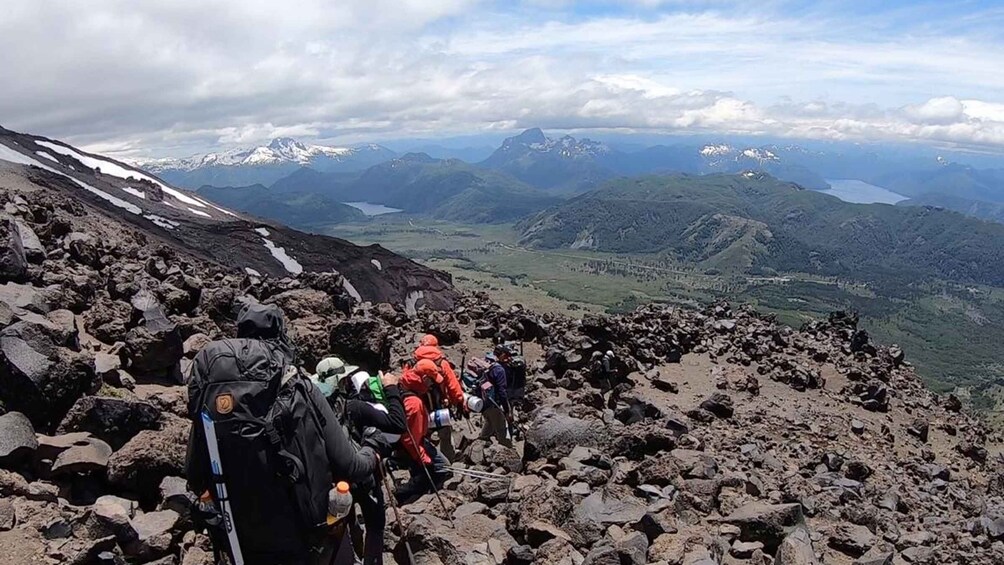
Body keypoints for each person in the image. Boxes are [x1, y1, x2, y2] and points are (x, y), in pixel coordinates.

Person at [186, 303, 384, 565]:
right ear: (280, 334)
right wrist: (373, 446)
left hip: (242, 539)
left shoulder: (212, 395)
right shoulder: (297, 385)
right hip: (308, 537)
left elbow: (195, 475)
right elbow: (351, 465)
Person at [317, 358, 405, 565]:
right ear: (342, 381)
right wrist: (391, 389)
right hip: (364, 474)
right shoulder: (354, 407)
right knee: (375, 524)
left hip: (333, 481)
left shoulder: (314, 410)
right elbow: (397, 423)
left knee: (344, 523)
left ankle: (353, 556)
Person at [395, 358, 451, 504]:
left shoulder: (403, 382)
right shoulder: (414, 403)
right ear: (425, 378)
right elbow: (410, 439)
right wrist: (424, 459)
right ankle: (406, 498)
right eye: (431, 381)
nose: (432, 385)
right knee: (437, 469)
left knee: (437, 467)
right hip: (414, 446)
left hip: (412, 441)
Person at [412, 334, 467, 461]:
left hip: (420, 406)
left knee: (422, 435)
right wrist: (459, 401)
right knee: (445, 434)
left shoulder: (413, 361)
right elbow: (453, 385)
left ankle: (426, 460)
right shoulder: (441, 363)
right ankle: (448, 460)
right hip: (439, 405)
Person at [480, 344, 513, 447]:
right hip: (494, 403)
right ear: (502, 354)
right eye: (507, 355)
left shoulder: (487, 363)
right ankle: (508, 452)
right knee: (501, 429)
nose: (509, 358)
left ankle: (479, 443)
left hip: (483, 401)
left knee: (489, 423)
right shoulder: (499, 370)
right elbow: (502, 392)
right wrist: (507, 411)